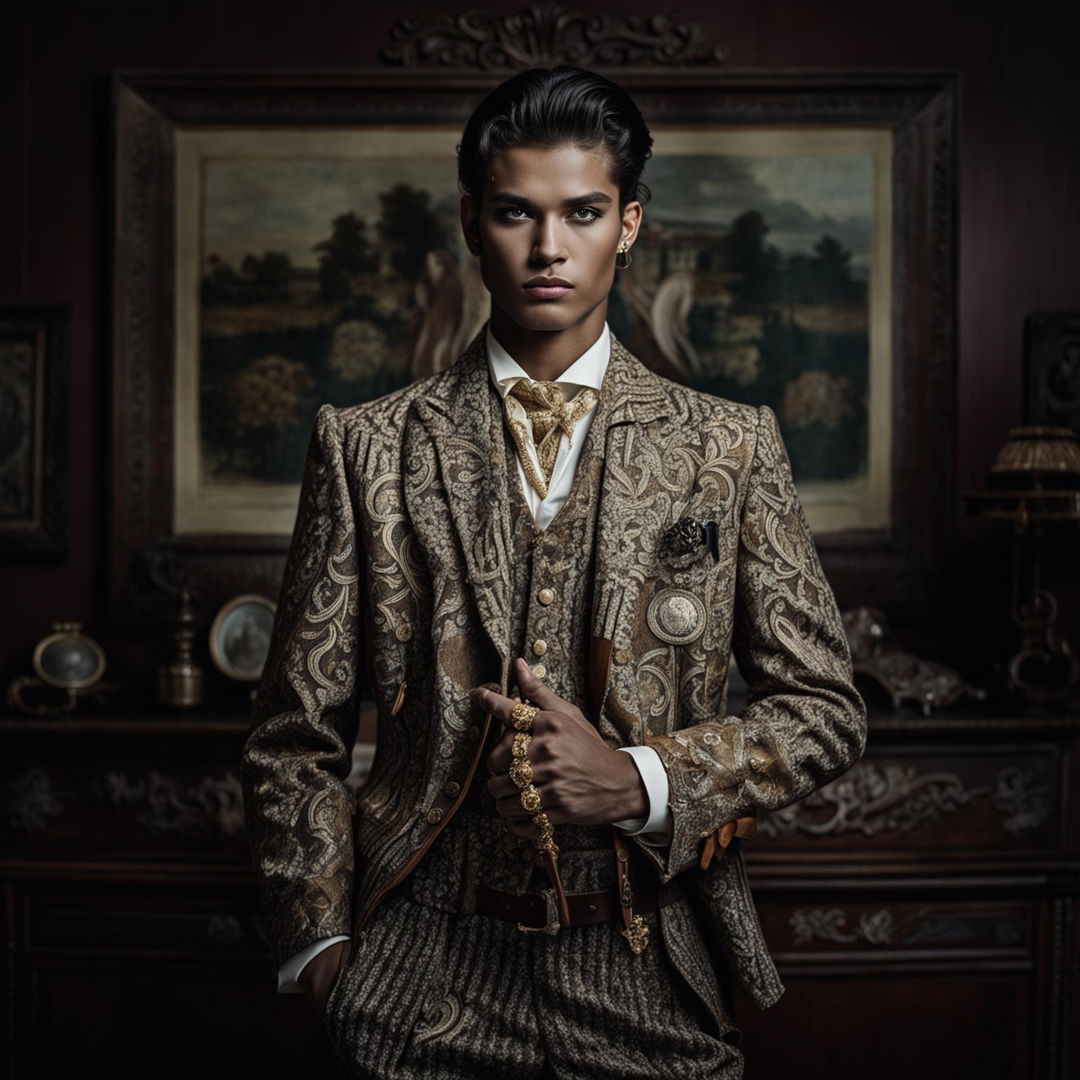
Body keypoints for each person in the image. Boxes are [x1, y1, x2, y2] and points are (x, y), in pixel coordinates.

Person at [241, 65, 867, 1079]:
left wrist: (637, 780)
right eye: (515, 214)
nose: (546, 249)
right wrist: (325, 954)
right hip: (418, 968)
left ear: (627, 222)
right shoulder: (366, 447)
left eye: (581, 213)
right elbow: (292, 738)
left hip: (647, 958)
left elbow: (826, 711)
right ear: (471, 223)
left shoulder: (732, 447)